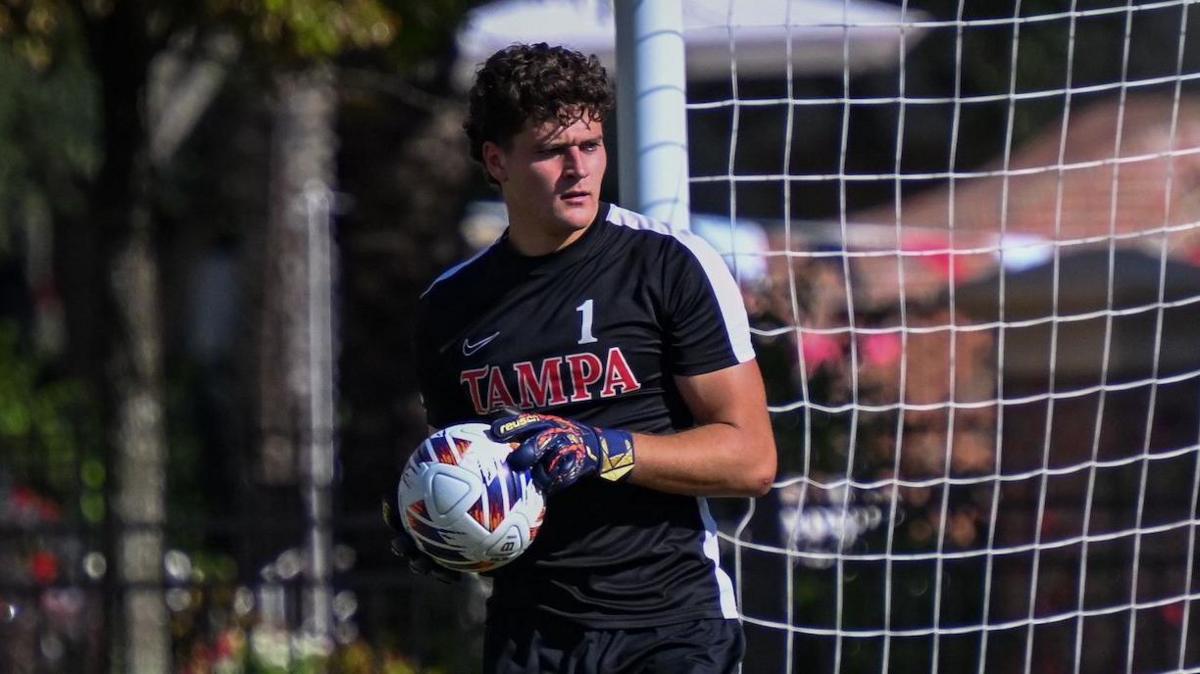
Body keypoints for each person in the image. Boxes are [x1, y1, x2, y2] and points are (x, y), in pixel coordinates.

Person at [390, 42, 777, 673]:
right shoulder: (449, 309)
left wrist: (607, 451)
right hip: (530, 634)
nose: (579, 168)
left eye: (590, 145)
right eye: (551, 150)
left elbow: (752, 459)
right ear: (496, 160)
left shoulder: (669, 265)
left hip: (670, 626)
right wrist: (434, 522)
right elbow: (471, 469)